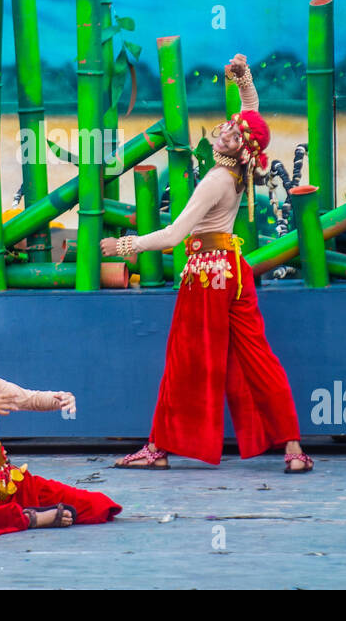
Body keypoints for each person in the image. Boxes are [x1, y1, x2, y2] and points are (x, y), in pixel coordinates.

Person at [102, 54, 310, 473]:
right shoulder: (241, 167)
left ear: (238, 148)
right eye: (225, 130)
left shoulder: (216, 180)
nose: (221, 137)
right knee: (258, 357)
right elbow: (251, 113)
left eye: (230, 137)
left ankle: (158, 449)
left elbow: (174, 235)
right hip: (235, 270)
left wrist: (126, 246)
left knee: (186, 362)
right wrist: (243, 77)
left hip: (206, 275)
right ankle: (293, 450)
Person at [0, 300, 122, 537]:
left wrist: (59, 399)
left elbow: (29, 399)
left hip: (6, 481)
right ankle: (30, 518)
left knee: (98, 505)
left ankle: (14, 513)